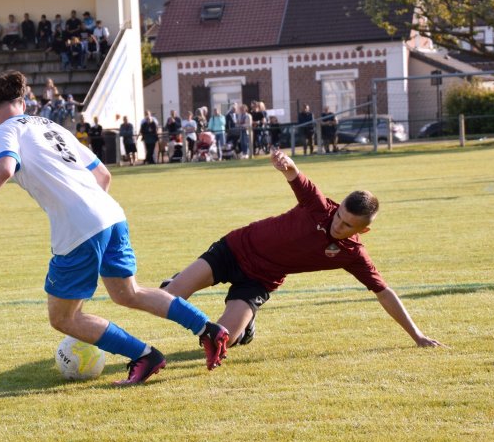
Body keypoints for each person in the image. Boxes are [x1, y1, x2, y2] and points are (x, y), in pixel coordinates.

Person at [0, 70, 229, 385]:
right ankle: (209, 329)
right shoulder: (52, 126)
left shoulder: (3, 130)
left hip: (79, 227)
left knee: (63, 317)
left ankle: (144, 355)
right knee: (129, 292)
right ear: (21, 100)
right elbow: (103, 175)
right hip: (112, 215)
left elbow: (4, 168)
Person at [161, 149, 445, 351]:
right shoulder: (319, 207)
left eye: (348, 226)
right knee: (167, 299)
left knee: (219, 341)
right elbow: (296, 176)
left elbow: (384, 293)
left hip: (259, 280)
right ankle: (178, 281)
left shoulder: (353, 254)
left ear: (362, 231)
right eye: (339, 217)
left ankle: (244, 328)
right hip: (234, 250)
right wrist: (286, 165)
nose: (338, 226)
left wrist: (417, 335)